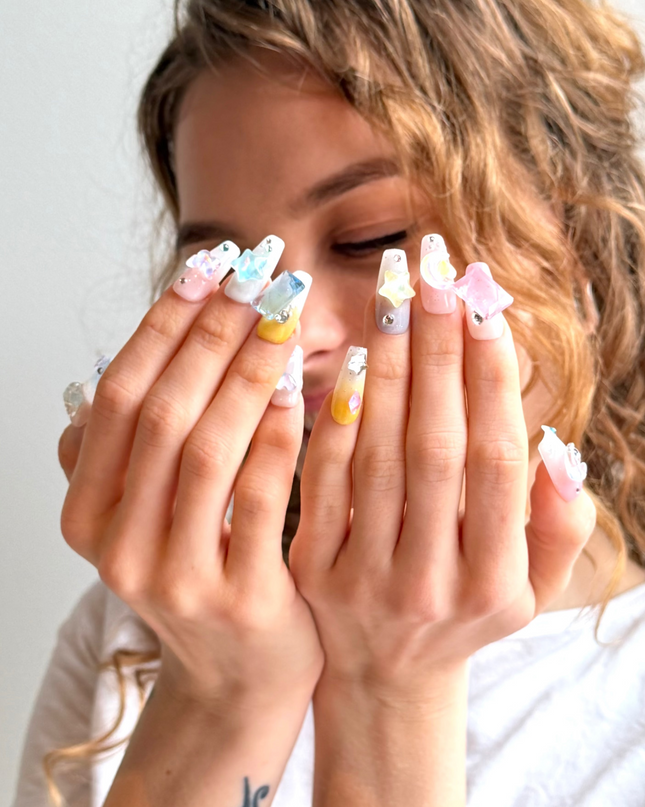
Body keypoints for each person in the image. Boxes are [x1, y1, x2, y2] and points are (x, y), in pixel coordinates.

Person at [11, 0, 645, 805]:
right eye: (233, 267)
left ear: (580, 235)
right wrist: (225, 694)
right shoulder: (142, 627)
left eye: (372, 239)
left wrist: (392, 687)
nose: (292, 331)